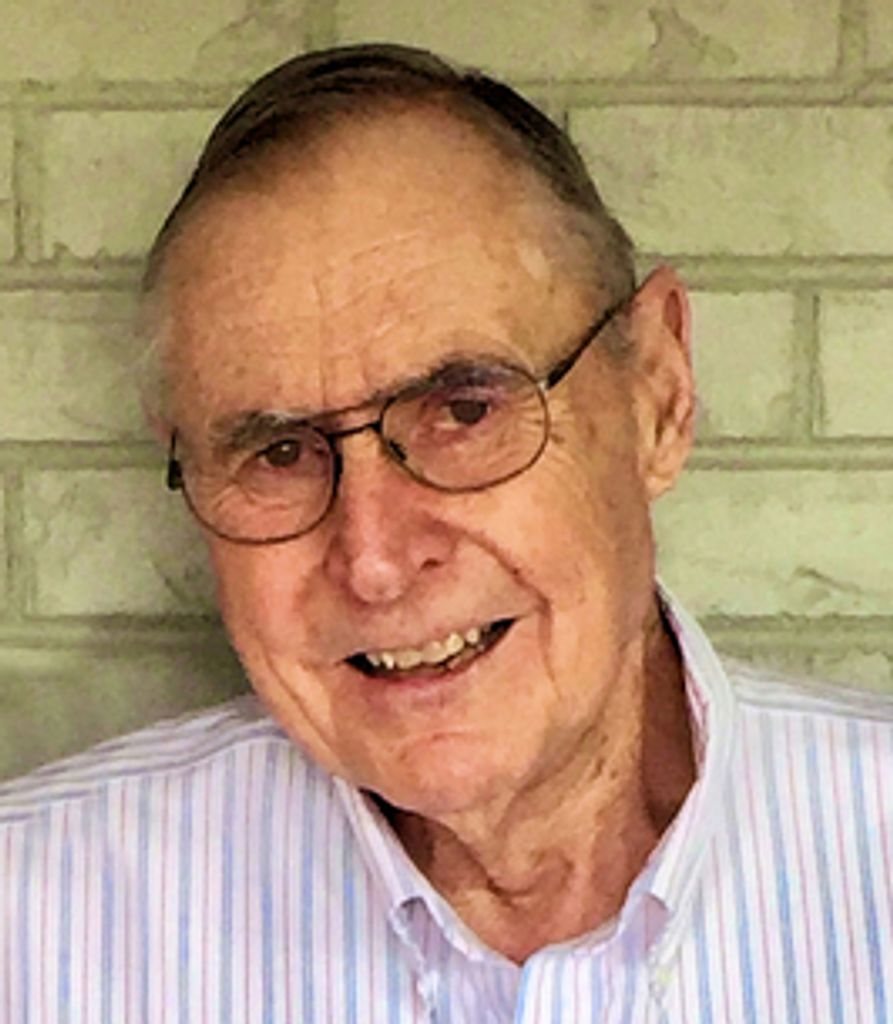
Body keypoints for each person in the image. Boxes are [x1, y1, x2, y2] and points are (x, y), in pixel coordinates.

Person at [1, 43, 890, 1024]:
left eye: (464, 410)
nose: (375, 560)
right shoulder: (31, 924)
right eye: (280, 453)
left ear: (656, 397)